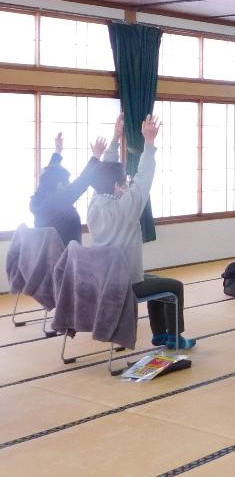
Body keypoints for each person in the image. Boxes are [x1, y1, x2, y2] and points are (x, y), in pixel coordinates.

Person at [89, 113, 196, 350]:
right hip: (126, 283)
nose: (126, 185)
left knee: (156, 280)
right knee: (175, 286)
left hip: (104, 280)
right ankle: (175, 337)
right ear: (117, 185)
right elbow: (143, 177)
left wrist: (115, 140)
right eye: (123, 182)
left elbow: (104, 174)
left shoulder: (95, 203)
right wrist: (149, 142)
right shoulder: (125, 208)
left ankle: (159, 335)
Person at [30, 132, 107, 247]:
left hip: (45, 252)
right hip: (63, 254)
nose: (68, 185)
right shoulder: (58, 201)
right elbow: (82, 181)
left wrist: (57, 152)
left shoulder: (38, 198)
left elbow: (48, 177)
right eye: (66, 182)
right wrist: (96, 156)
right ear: (59, 185)